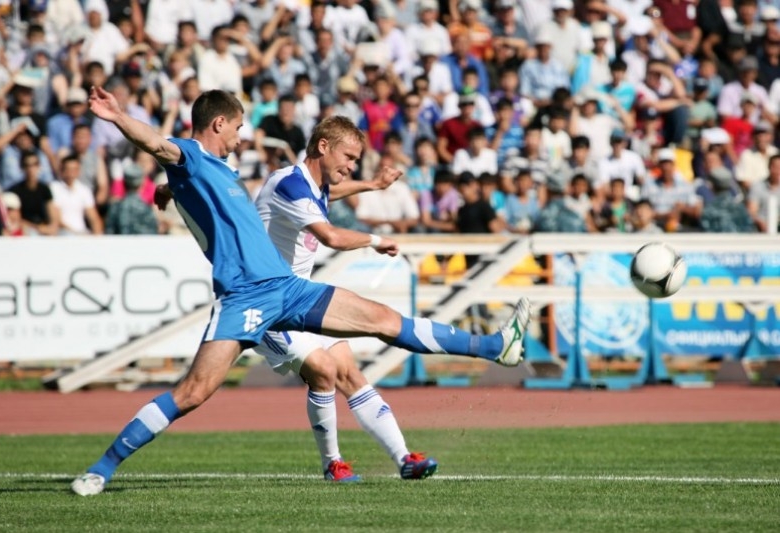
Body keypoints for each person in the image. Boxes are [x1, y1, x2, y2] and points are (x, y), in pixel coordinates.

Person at [71, 88, 531, 496]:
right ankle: (101, 469)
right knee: (193, 392)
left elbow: (228, 199)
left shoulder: (222, 171)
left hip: (288, 288)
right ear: (218, 123)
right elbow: (157, 144)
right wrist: (118, 116)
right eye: (237, 128)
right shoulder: (191, 154)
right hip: (245, 296)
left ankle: (495, 347)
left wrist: (170, 191)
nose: (241, 137)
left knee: (383, 321)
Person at [250, 135, 438, 481]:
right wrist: (375, 240)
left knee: (349, 371)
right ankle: (332, 464)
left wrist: (371, 185)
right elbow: (333, 237)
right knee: (323, 370)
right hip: (269, 307)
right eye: (348, 156)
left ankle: (404, 459)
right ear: (323, 146)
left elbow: (329, 192)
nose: (352, 165)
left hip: (300, 300)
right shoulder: (288, 183)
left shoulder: (311, 187)